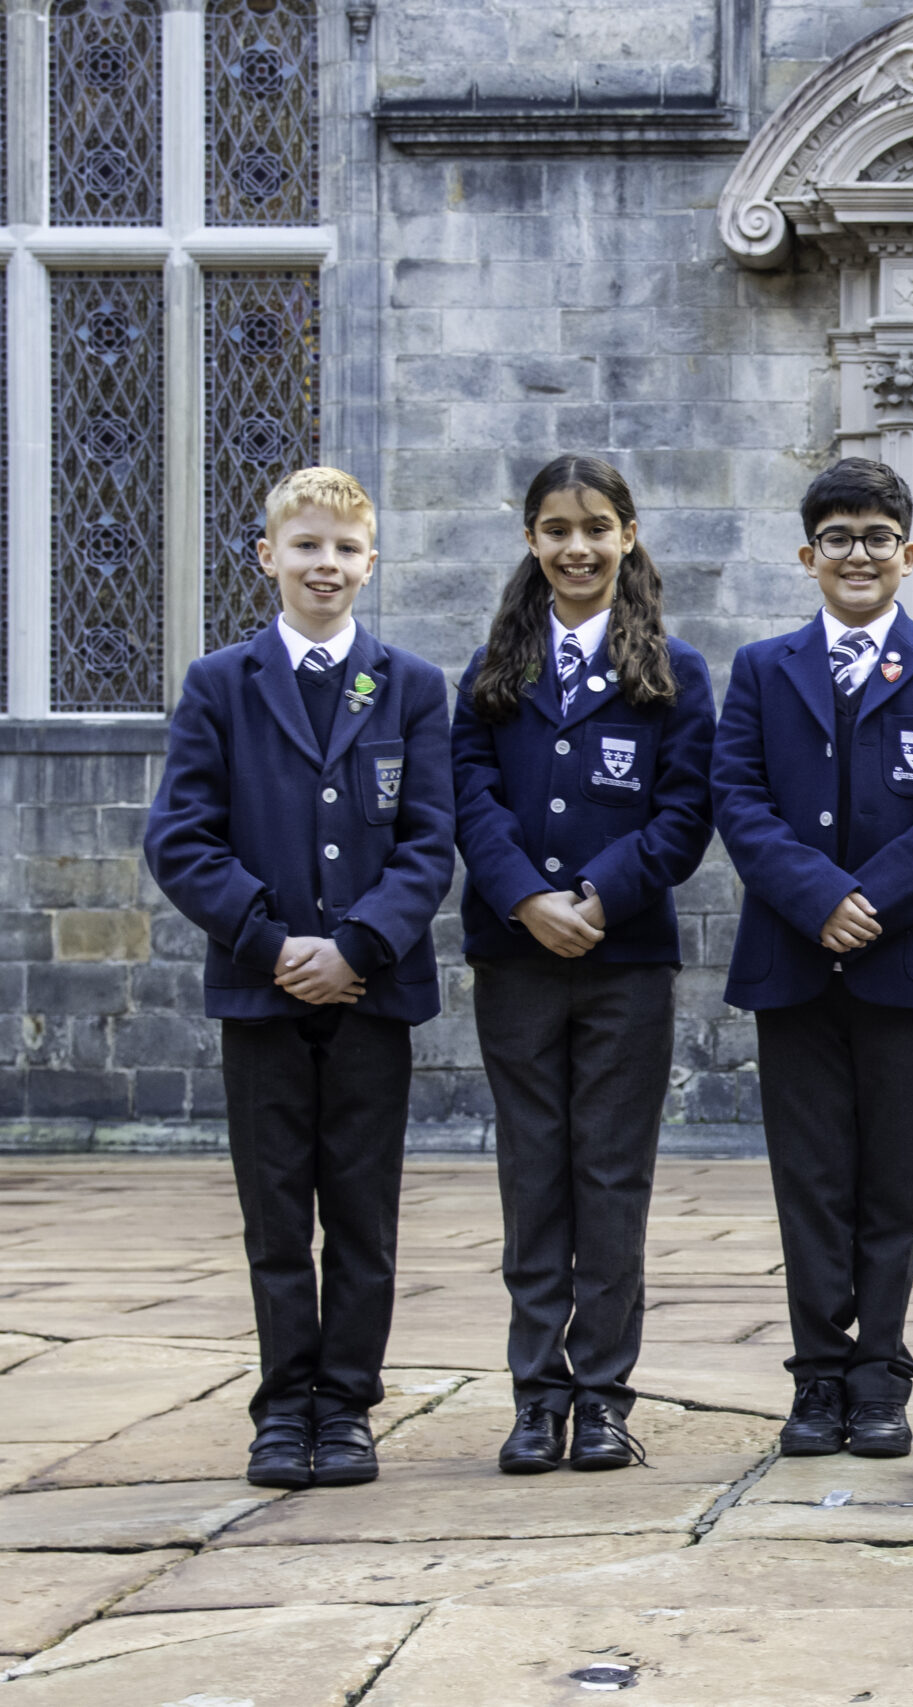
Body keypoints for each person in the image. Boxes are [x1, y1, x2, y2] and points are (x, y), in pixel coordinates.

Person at [145, 467, 455, 1491]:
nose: (326, 565)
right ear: (268, 555)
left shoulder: (408, 686)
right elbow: (182, 837)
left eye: (345, 549)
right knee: (277, 1212)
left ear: (372, 563)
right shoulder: (219, 686)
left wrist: (359, 945)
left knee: (362, 1212)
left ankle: (347, 1404)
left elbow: (427, 840)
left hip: (372, 992)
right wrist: (271, 942)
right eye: (307, 546)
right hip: (261, 991)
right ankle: (284, 1408)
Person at [714, 458, 913, 1459]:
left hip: (900, 959)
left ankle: (880, 1373)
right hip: (792, 962)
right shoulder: (762, 669)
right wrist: (816, 898)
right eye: (838, 538)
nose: (858, 555)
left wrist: (867, 899)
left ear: (906, 553)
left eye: (877, 538)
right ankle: (816, 1377)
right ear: (809, 555)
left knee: (890, 1180)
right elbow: (738, 800)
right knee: (810, 1178)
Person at [450, 455, 716, 1474]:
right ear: (531, 541)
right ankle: (534, 1396)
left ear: (629, 535)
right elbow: (470, 797)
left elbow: (685, 812)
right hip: (515, 955)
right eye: (557, 529)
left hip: (625, 955)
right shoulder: (492, 670)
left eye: (595, 527)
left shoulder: (674, 671)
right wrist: (525, 898)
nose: (577, 547)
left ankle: (602, 1397)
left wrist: (599, 895)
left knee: (610, 1177)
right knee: (533, 1176)